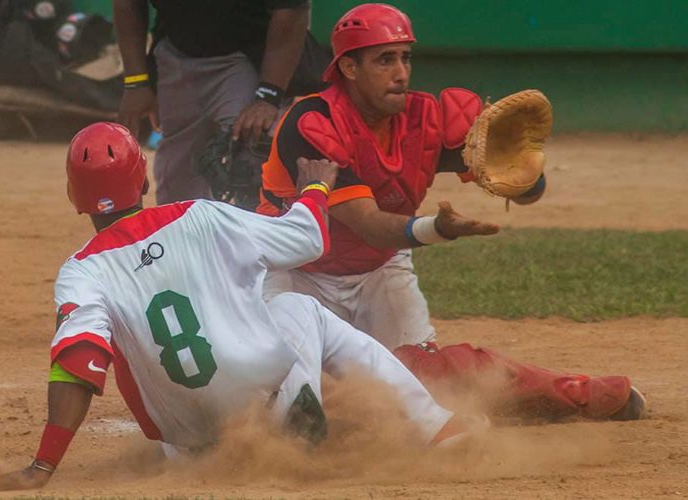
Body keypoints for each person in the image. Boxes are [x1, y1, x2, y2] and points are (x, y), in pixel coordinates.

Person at [0, 122, 485, 491]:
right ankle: (436, 427)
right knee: (297, 308)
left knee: (163, 407)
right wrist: (314, 186)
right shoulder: (200, 216)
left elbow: (77, 363)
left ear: (74, 197)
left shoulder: (81, 271)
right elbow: (306, 238)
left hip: (191, 453)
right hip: (266, 410)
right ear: (142, 184)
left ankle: (232, 445)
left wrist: (43, 467)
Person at [258, 3, 645, 421]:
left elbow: (527, 190)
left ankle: (571, 394)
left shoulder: (425, 120)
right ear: (349, 68)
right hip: (298, 276)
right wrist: (437, 228)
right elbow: (368, 224)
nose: (401, 72)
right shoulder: (313, 122)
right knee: (283, 390)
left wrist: (521, 171)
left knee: (426, 382)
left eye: (405, 57)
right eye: (384, 60)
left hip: (378, 272)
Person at [113, 0, 312, 205]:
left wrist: (269, 95)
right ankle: (186, 233)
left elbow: (291, 10)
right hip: (177, 50)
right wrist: (137, 82)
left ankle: (260, 230)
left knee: (254, 152)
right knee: (178, 178)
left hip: (249, 51)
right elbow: (126, 4)